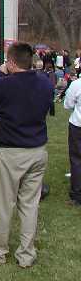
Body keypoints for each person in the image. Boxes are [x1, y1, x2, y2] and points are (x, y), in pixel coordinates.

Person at [0, 42, 51, 268]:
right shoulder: (45, 84)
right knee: (30, 205)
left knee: (2, 204)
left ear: (10, 63)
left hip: (11, 151)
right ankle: (26, 254)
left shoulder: (6, 85)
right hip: (37, 148)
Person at [64, 72, 81, 207]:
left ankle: (77, 194)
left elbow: (68, 105)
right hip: (77, 124)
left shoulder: (76, 84)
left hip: (78, 125)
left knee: (76, 159)